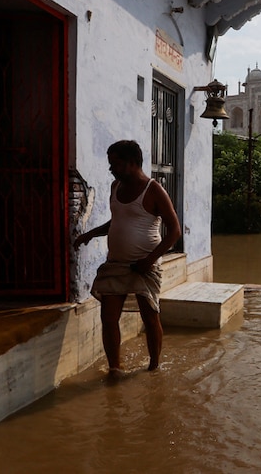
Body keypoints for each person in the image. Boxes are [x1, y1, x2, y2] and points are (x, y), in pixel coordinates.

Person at [74, 140, 181, 372]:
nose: (112, 169)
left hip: (145, 266)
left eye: (116, 164)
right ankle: (115, 369)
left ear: (133, 163)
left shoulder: (153, 189)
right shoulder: (115, 187)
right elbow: (118, 221)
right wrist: (91, 234)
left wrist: (149, 260)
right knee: (109, 318)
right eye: (111, 164)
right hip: (116, 264)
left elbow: (174, 231)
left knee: (150, 318)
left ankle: (154, 367)